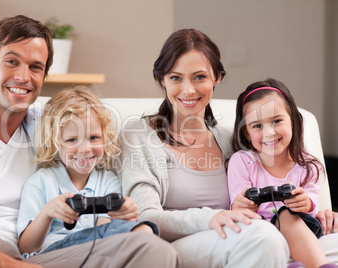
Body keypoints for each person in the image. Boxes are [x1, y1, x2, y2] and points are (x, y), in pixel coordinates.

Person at [0, 15, 179, 268]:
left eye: (35, 67)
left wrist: (126, 212)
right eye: (12, 61)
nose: (23, 76)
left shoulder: (54, 127)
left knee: (152, 248)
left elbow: (97, 142)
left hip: (37, 257)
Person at [114, 28, 290, 267]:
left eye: (199, 77)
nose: (189, 90)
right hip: (172, 248)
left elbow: (273, 185)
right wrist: (209, 217)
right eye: (176, 78)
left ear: (217, 78)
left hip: (234, 239)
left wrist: (314, 213)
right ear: (162, 79)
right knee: (264, 239)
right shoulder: (139, 135)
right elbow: (144, 217)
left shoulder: (231, 139)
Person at [17, 87, 158, 256]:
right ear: (54, 142)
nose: (85, 149)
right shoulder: (41, 182)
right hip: (55, 253)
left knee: (144, 231)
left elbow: (105, 231)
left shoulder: (108, 180)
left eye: (93, 138)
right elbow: (25, 248)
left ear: (105, 138)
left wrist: (125, 216)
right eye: (71, 140)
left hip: (95, 250)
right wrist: (47, 213)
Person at [228, 78, 338, 268]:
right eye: (257, 126)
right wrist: (243, 203)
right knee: (274, 220)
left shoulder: (310, 166)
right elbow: (237, 203)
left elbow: (311, 207)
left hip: (301, 226)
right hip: (259, 227)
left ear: (293, 121)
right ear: (246, 133)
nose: (269, 132)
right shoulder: (242, 161)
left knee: (286, 215)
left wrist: (305, 202)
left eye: (277, 121)